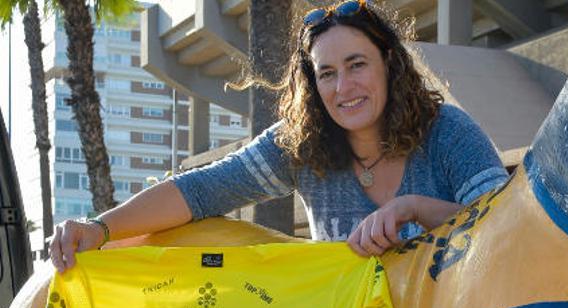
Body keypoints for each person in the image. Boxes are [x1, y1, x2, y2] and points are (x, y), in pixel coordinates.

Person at [49, 0, 508, 271]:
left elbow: (506, 229)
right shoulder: (301, 144)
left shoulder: (448, 131)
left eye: (357, 65)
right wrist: (100, 227)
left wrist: (414, 209)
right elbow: (200, 190)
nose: (343, 88)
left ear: (389, 63)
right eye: (326, 73)